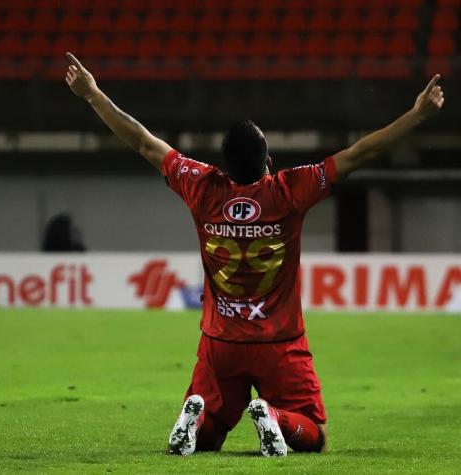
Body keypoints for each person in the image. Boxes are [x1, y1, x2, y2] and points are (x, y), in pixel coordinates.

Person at [64, 52, 444, 456]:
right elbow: (358, 155)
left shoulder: (203, 187)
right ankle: (275, 417)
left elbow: (143, 142)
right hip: (278, 342)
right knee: (313, 433)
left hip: (220, 343)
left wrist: (93, 94)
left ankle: (195, 418)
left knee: (210, 437)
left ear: (224, 166)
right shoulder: (289, 190)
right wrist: (416, 116)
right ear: (268, 160)